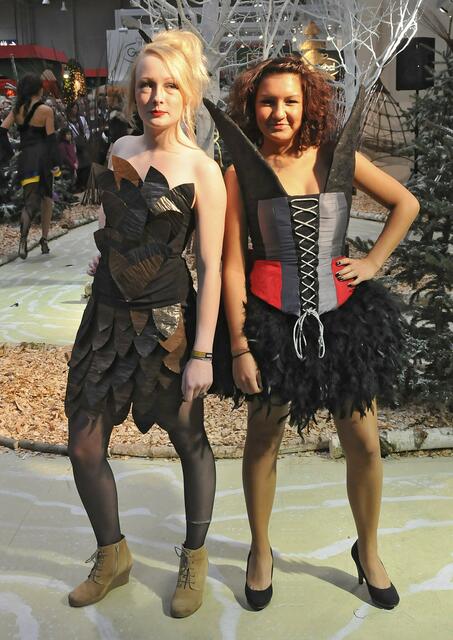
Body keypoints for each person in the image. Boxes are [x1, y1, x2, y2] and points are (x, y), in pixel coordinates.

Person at [204, 55, 419, 611]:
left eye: (290, 101)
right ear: (252, 106)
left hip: (343, 318)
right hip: (270, 322)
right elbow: (232, 264)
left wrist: (372, 262)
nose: (279, 112)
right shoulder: (240, 172)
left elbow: (406, 203)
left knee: (364, 443)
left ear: (308, 105)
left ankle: (368, 550)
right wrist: (240, 345)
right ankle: (260, 551)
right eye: (267, 101)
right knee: (263, 440)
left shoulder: (333, 157)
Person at [64, 30, 226, 618]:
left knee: (189, 440)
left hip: (167, 328)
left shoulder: (203, 169)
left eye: (170, 87)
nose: (157, 97)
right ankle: (113, 556)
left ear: (189, 95)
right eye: (146, 86)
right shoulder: (120, 149)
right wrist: (105, 255)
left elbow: (210, 265)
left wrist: (202, 353)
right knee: (83, 444)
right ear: (134, 92)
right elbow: (116, 223)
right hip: (106, 322)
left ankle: (195, 557)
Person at [0, 73, 60, 258]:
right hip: (43, 159)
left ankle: (23, 240)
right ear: (39, 89)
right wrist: (55, 164)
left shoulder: (16, 110)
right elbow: (50, 140)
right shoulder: (46, 110)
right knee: (47, 199)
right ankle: (44, 239)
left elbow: (2, 130)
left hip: (26, 158)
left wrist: (10, 153)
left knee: (29, 201)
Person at [67, 101, 91, 191]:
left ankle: (84, 184)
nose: (75, 110)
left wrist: (86, 138)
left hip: (83, 145)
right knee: (78, 165)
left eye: (76, 108)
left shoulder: (82, 119)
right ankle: (79, 185)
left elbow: (86, 130)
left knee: (86, 164)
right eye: (73, 108)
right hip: (73, 146)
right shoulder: (67, 121)